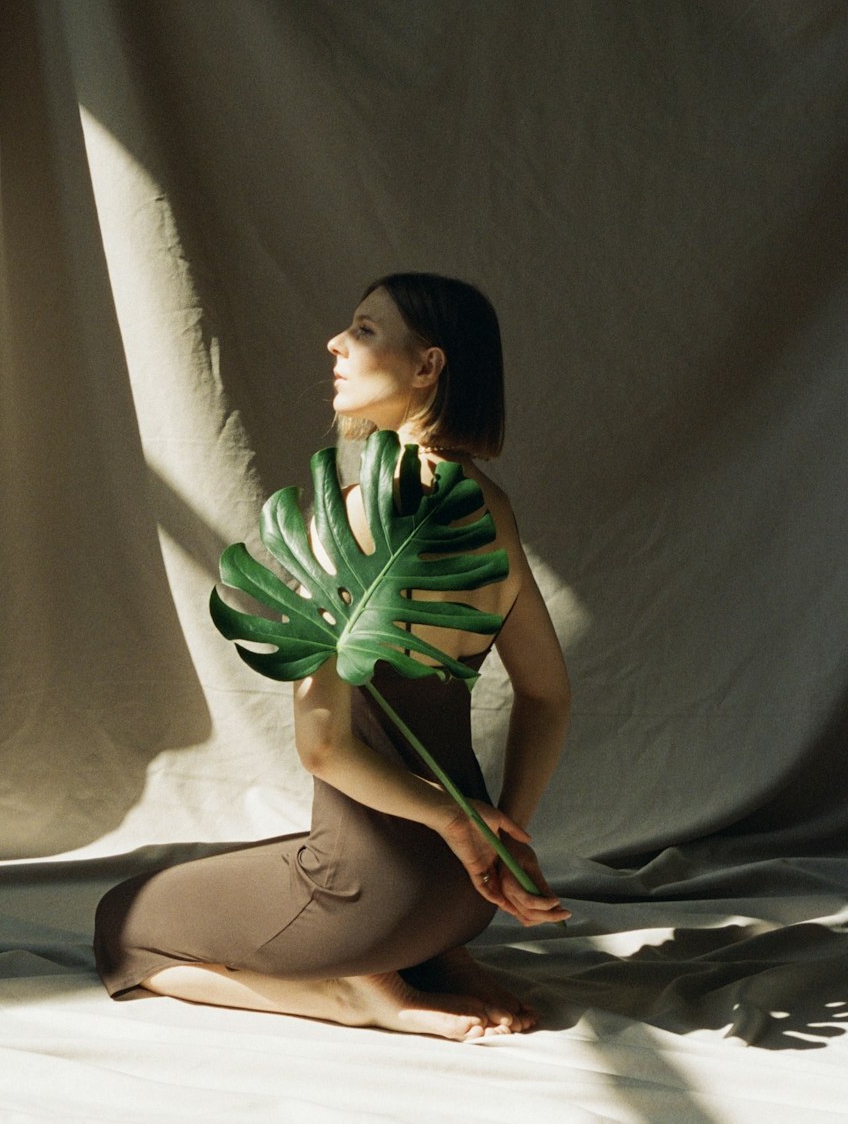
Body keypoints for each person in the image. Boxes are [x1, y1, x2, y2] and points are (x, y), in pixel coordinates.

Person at [94, 272, 571, 1041]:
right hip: (465, 896)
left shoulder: (358, 516)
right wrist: (499, 836)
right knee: (260, 862)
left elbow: (322, 747)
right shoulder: (492, 507)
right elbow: (548, 692)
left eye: (365, 330)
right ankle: (440, 958)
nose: (335, 344)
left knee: (123, 921)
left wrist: (456, 823)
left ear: (428, 368)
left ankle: (353, 993)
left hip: (371, 897)